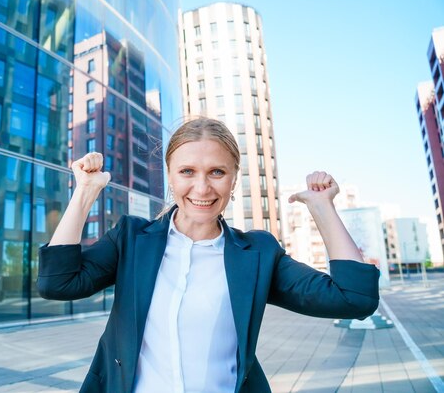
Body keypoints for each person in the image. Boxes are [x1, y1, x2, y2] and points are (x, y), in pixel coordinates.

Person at [37, 118, 379, 393]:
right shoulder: (131, 239)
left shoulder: (258, 253)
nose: (202, 188)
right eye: (187, 172)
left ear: (233, 179)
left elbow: (354, 299)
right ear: (170, 176)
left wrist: (323, 208)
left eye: (217, 172)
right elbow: (58, 284)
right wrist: (85, 192)